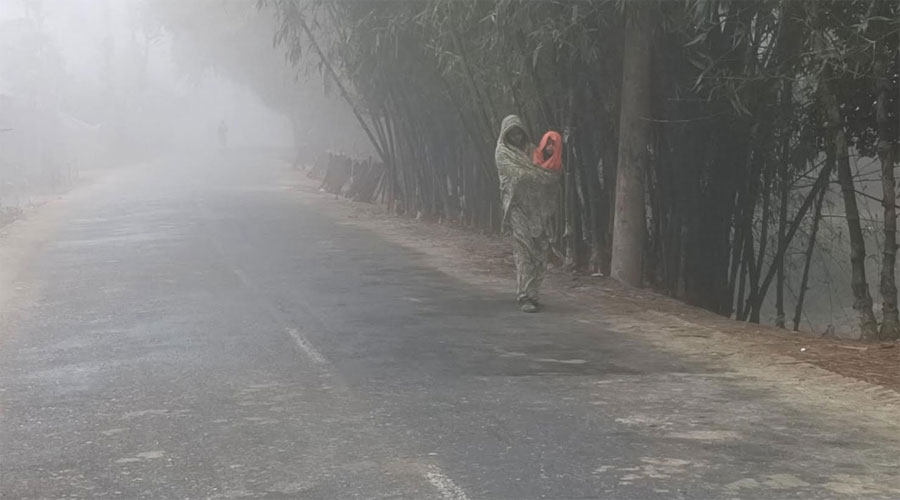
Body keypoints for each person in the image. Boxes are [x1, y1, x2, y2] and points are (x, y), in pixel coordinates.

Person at [495, 115, 561, 312]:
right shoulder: (502, 153)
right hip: (515, 208)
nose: (515, 137)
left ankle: (533, 292)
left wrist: (551, 171)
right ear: (505, 134)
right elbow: (516, 174)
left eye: (518, 133)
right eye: (511, 133)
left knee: (540, 251)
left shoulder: (533, 150)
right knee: (524, 249)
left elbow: (547, 170)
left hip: (537, 210)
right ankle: (524, 296)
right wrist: (537, 174)